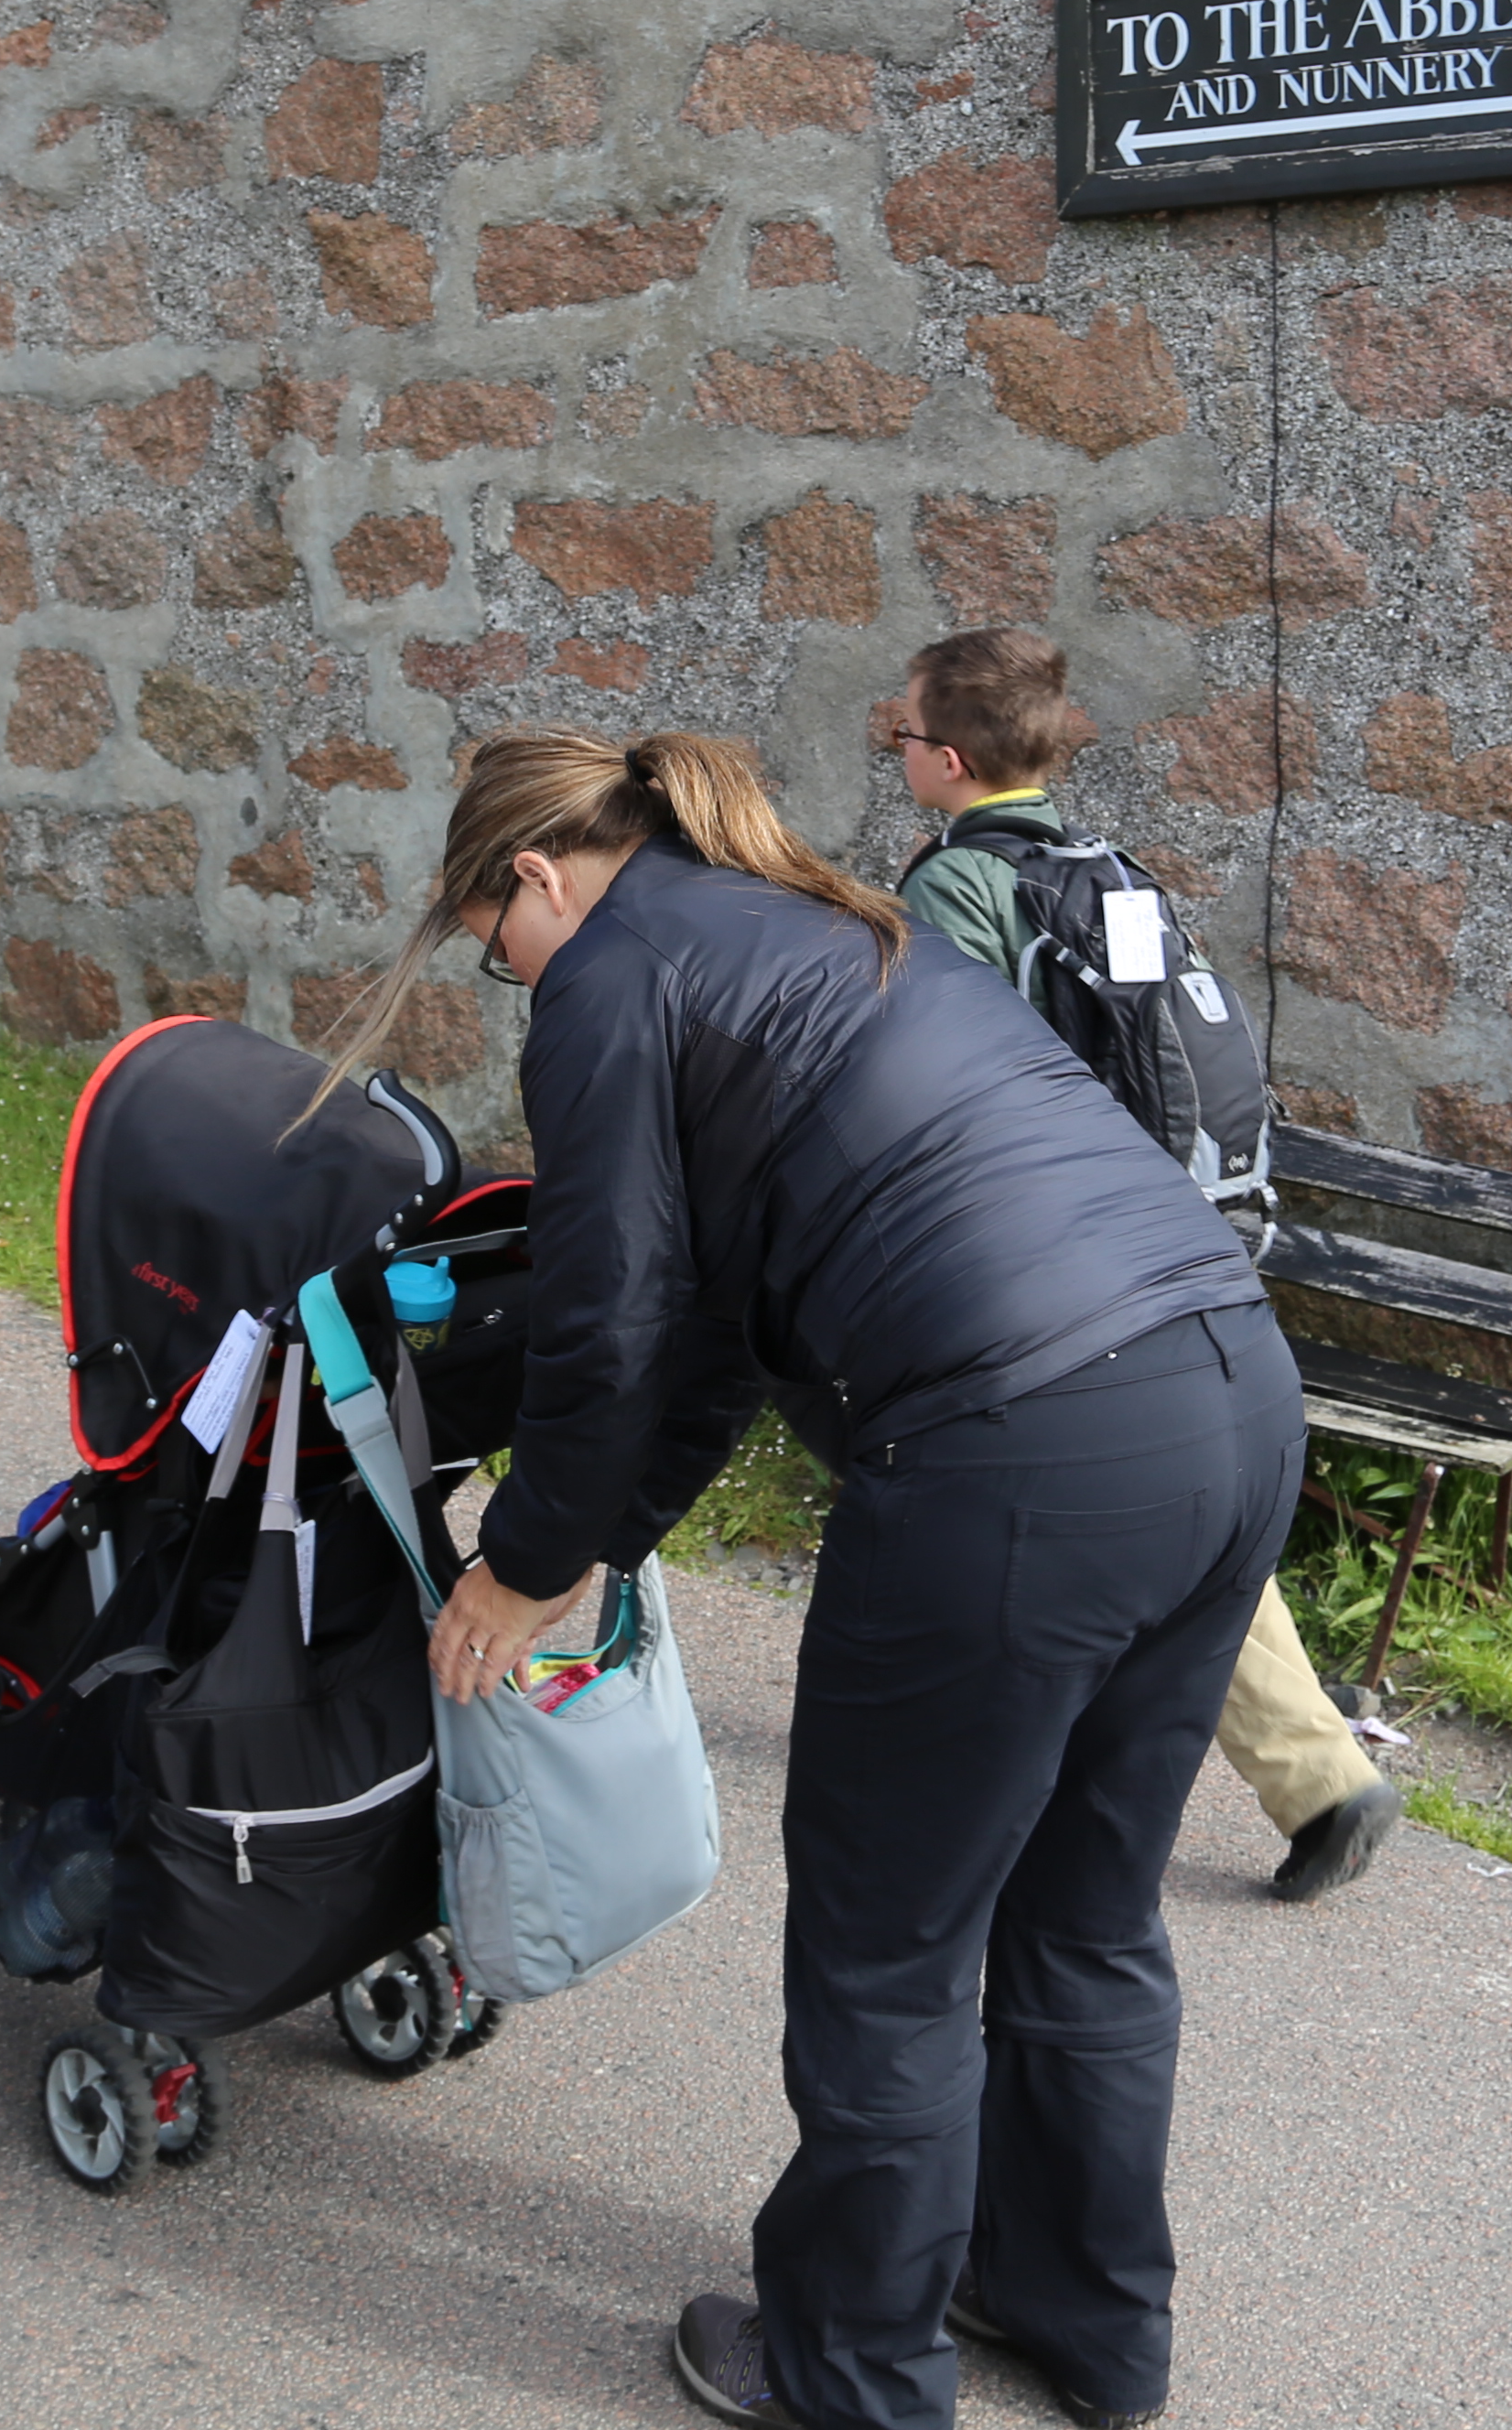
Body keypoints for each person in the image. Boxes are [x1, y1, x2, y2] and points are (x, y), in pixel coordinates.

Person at [362, 729, 1296, 2430]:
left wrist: (519, 1561)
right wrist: (602, 1549)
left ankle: (854, 2370)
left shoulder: (611, 975)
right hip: (1228, 1391)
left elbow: (608, 1317)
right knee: (1084, 1917)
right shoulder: (817, 924)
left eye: (493, 945)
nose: (507, 980)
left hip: (1017, 1452)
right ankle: (1081, 2320)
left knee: (890, 1952)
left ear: (536, 880)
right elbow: (717, 1334)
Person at [886, 628, 1403, 1906]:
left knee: (1015, 1491)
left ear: (947, 760)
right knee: (1160, 1515)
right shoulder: (1105, 868)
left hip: (1052, 1253)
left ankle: (1308, 1776)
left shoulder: (959, 889)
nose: (893, 749)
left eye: (895, 733)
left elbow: (942, 1077)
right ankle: (1314, 1773)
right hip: (1175, 1223)